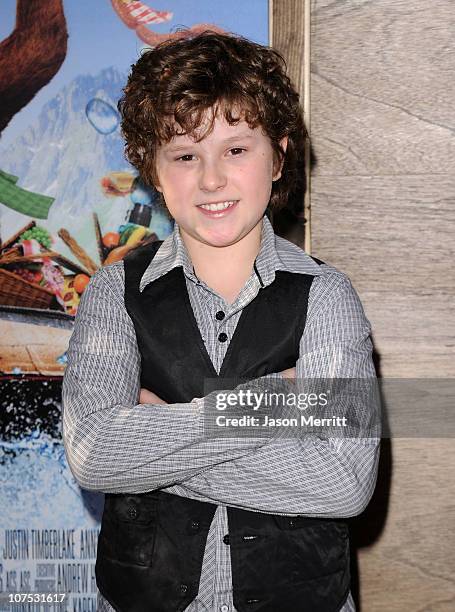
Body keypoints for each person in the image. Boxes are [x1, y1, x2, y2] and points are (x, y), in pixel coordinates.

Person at [62, 31, 380, 612]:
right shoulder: (115, 290)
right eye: (184, 155)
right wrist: (269, 404)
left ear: (278, 155)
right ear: (153, 171)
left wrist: (154, 450)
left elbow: (345, 481)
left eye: (236, 150)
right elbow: (93, 454)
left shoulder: (327, 295)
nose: (210, 179)